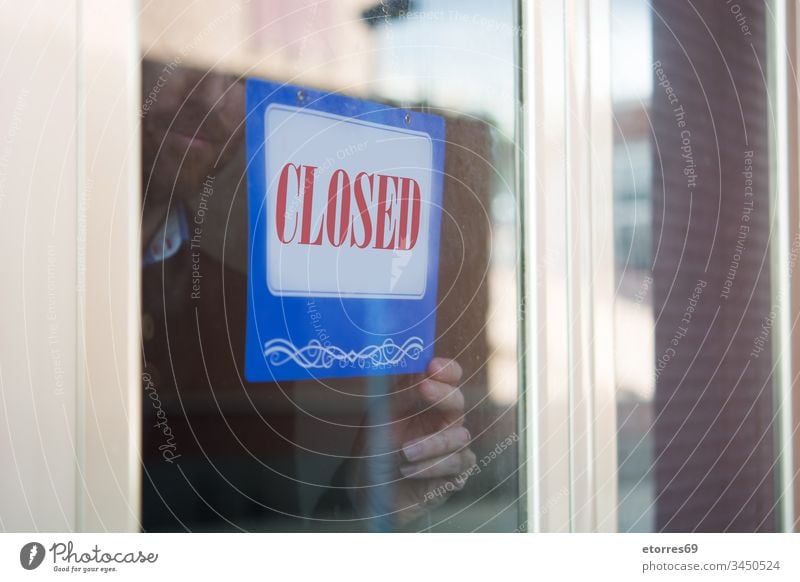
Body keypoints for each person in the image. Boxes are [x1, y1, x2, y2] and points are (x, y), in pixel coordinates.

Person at [139, 60, 475, 531]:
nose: (210, 96)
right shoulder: (28, 280)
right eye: (185, 58)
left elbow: (252, 524)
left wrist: (366, 498)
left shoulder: (242, 315)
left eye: (238, 77)